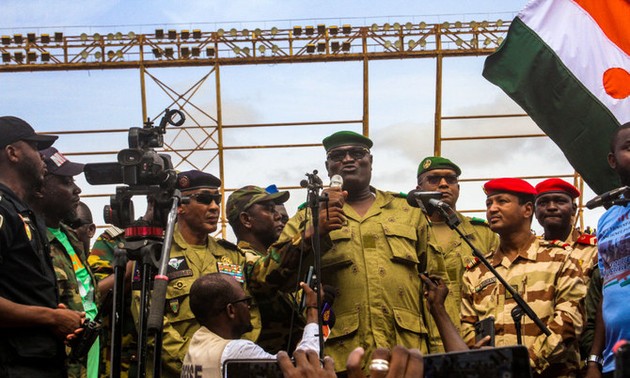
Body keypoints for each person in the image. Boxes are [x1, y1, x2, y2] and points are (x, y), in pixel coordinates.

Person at [249, 130, 430, 373]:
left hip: (406, 357)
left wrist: (443, 354)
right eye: (337, 156)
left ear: (370, 161)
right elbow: (262, 280)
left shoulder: (408, 212)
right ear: (328, 166)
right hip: (337, 361)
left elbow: (435, 290)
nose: (347, 160)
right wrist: (311, 234)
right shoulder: (307, 217)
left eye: (357, 153)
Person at [130, 170, 257, 377]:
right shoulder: (154, 256)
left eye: (216, 200)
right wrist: (196, 363)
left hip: (228, 368)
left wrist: (238, 360)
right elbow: (148, 321)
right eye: (204, 200)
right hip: (177, 370)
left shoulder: (231, 255)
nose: (215, 207)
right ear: (180, 206)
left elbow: (251, 312)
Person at [461, 178, 586, 377]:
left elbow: (569, 322)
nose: (492, 209)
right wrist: (485, 363)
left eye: (501, 202)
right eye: (488, 204)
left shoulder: (560, 258)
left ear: (527, 210)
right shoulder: (476, 271)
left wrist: (525, 363)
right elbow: (467, 328)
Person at [0, 116, 83, 377]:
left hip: (37, 361)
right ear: (12, 153)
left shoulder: (24, 214)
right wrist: (50, 318)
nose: (42, 158)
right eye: (35, 148)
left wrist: (51, 312)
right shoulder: (3, 209)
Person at [416, 156, 498, 352]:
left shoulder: (484, 234)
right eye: (434, 179)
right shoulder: (409, 232)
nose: (443, 185)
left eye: (451, 180)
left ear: (458, 189)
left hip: (473, 338)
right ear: (419, 189)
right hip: (424, 339)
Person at [31, 147, 100, 378]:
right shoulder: (29, 237)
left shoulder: (69, 236)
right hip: (55, 361)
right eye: (66, 181)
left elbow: (86, 294)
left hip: (86, 353)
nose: (77, 189)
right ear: (40, 187)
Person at [181, 272, 319, 377]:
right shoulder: (236, 351)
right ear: (231, 310)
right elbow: (302, 368)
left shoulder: (196, 345)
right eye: (245, 301)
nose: (249, 307)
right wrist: (313, 311)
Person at [227, 185, 305, 353]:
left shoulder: (270, 258)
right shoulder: (240, 259)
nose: (278, 216)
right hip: (260, 363)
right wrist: (306, 234)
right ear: (246, 220)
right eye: (269, 210)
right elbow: (266, 274)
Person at [534, 178, 599, 362]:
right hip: (546, 353)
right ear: (534, 211)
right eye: (543, 203)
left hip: (588, 349)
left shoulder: (596, 249)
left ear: (574, 210)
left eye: (560, 201)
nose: (551, 207)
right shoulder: (530, 254)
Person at [589, 122, 630, 377]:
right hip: (615, 361)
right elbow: (608, 287)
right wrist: (594, 359)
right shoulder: (606, 219)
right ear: (612, 160)